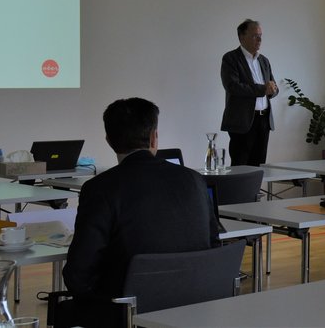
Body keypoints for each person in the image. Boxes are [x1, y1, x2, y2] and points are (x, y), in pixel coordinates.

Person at [60, 98, 220, 328]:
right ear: (154, 137)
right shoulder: (194, 180)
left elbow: (78, 274)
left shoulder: (100, 188)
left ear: (109, 141)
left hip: (128, 311)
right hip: (195, 305)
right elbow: (213, 245)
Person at [220, 19, 278, 166]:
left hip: (264, 120)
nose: (259, 40)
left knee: (259, 166)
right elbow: (233, 86)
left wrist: (272, 90)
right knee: (241, 166)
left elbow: (272, 86)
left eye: (260, 36)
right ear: (241, 37)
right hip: (242, 121)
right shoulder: (230, 58)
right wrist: (263, 89)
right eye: (254, 36)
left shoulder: (264, 60)